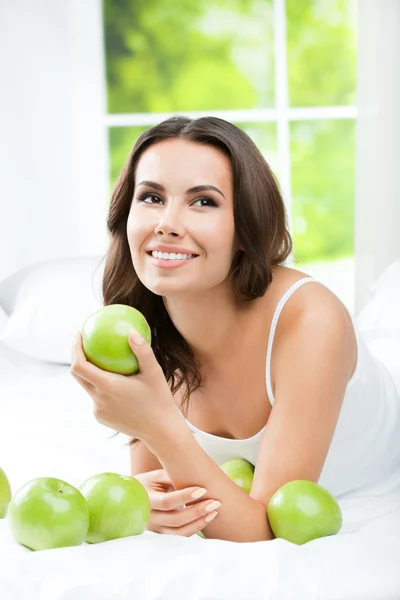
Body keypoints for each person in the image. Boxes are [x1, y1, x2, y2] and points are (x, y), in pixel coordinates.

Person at [101, 115, 400, 540]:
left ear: (245, 227)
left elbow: (259, 529)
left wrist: (154, 423)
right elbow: (164, 494)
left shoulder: (311, 320)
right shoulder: (132, 328)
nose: (166, 223)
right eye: (150, 197)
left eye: (203, 201)